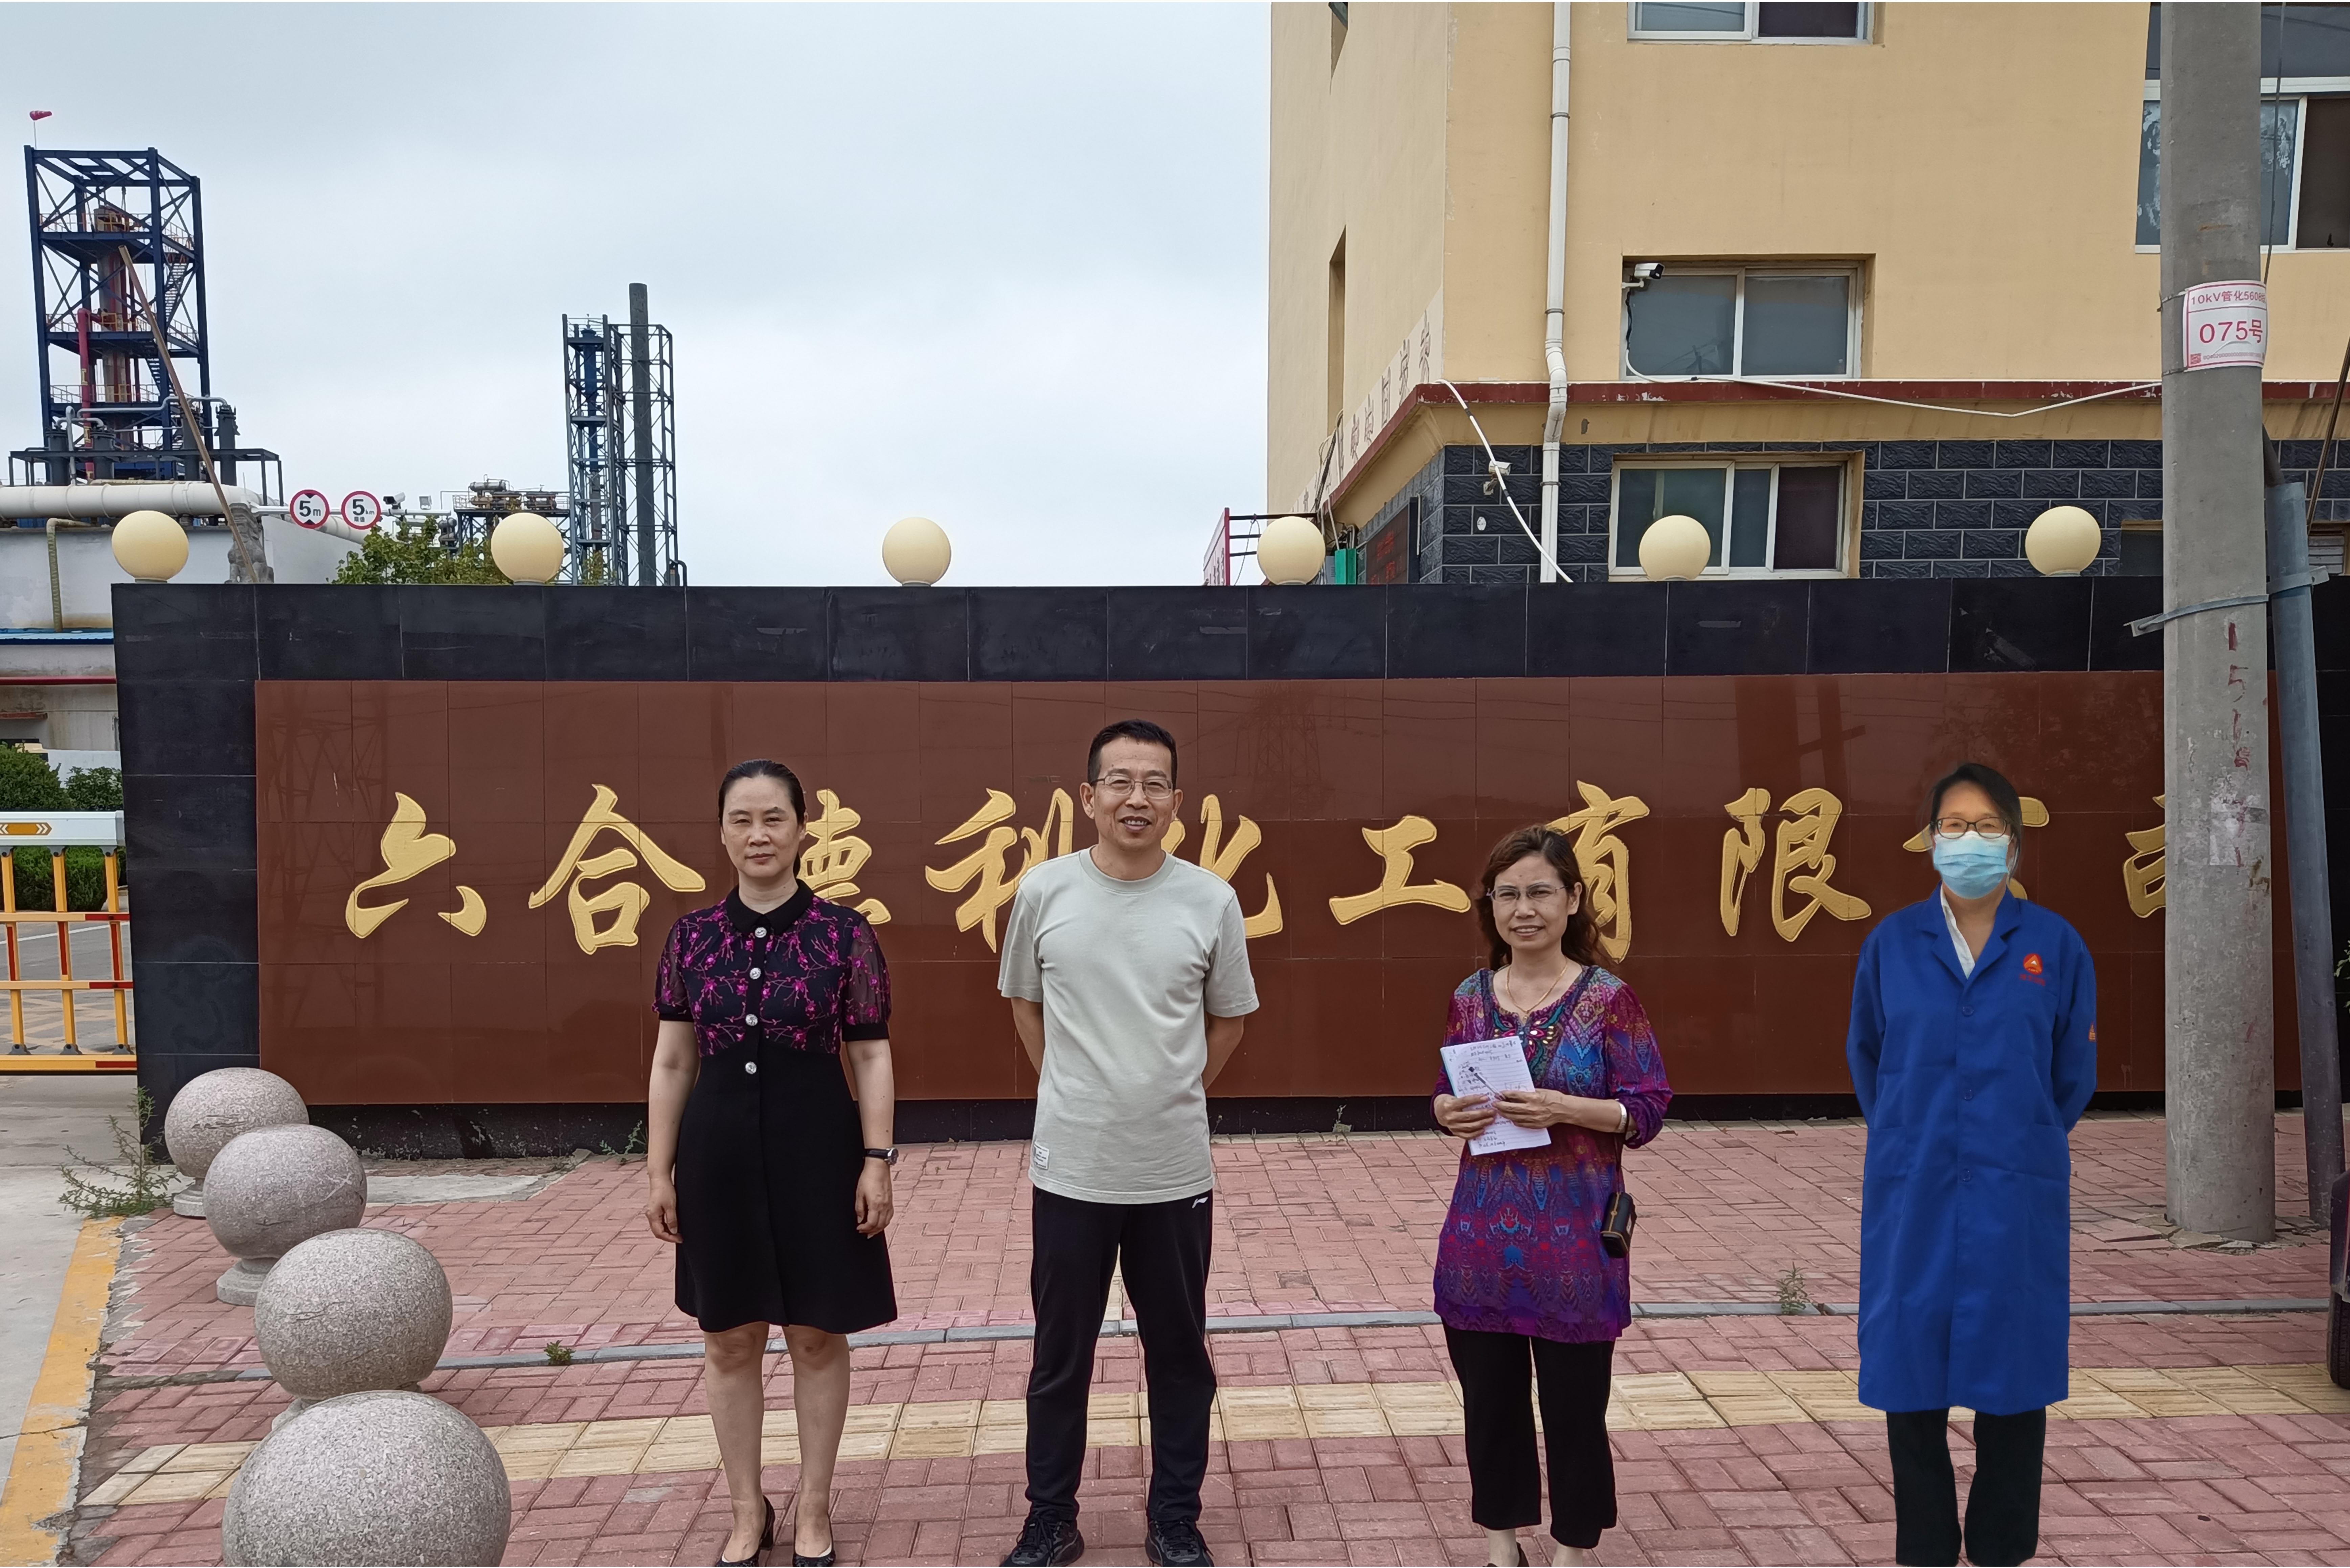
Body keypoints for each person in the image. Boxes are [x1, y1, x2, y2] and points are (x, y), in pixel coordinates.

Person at [995, 719, 1258, 1568]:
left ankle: (1174, 1517)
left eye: (1153, 783)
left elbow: (1228, 1020)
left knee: (1177, 1354)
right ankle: (1050, 1518)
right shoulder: (1044, 890)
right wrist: (1074, 1088)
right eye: (1118, 781)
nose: (1135, 798)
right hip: (1072, 1166)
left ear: (1177, 800)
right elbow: (1025, 1003)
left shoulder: (1210, 900)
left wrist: (1169, 1091)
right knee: (1058, 1356)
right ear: (1088, 796)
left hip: (1171, 1168)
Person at [643, 759, 900, 1568]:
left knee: (817, 1333)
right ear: (722, 831)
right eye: (742, 819)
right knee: (729, 1337)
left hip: (817, 1150)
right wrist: (657, 1170)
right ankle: (745, 1507)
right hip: (716, 1155)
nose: (758, 834)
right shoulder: (691, 937)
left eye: (774, 818)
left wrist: (877, 1159)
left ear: (801, 829)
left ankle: (815, 1504)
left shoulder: (842, 932)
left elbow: (870, 1053)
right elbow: (673, 1060)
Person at [1847, 762, 2096, 1568]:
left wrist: (2017, 1136)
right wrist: (1914, 1134)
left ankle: (1999, 1549)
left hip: (2013, 1188)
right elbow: (1867, 1056)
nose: (1969, 840)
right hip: (1913, 1182)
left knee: (2013, 1369)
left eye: (1987, 826)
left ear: (2014, 843)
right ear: (1929, 840)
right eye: (1952, 825)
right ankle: (1924, 1548)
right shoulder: (1891, 943)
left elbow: (2070, 1074)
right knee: (1909, 1367)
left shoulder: (2054, 944)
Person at [1430, 825, 1672, 1568]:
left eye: (1539, 892)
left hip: (1574, 1242)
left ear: (1572, 898)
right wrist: (1444, 1111)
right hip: (1480, 1240)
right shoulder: (1470, 997)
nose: (1523, 909)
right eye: (1507, 895)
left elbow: (1647, 1108)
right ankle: (1501, 1547)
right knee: (1489, 1407)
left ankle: (1571, 1548)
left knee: (1574, 1411)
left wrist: (1565, 1108)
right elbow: (1446, 1090)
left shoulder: (1608, 999)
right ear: (1490, 907)